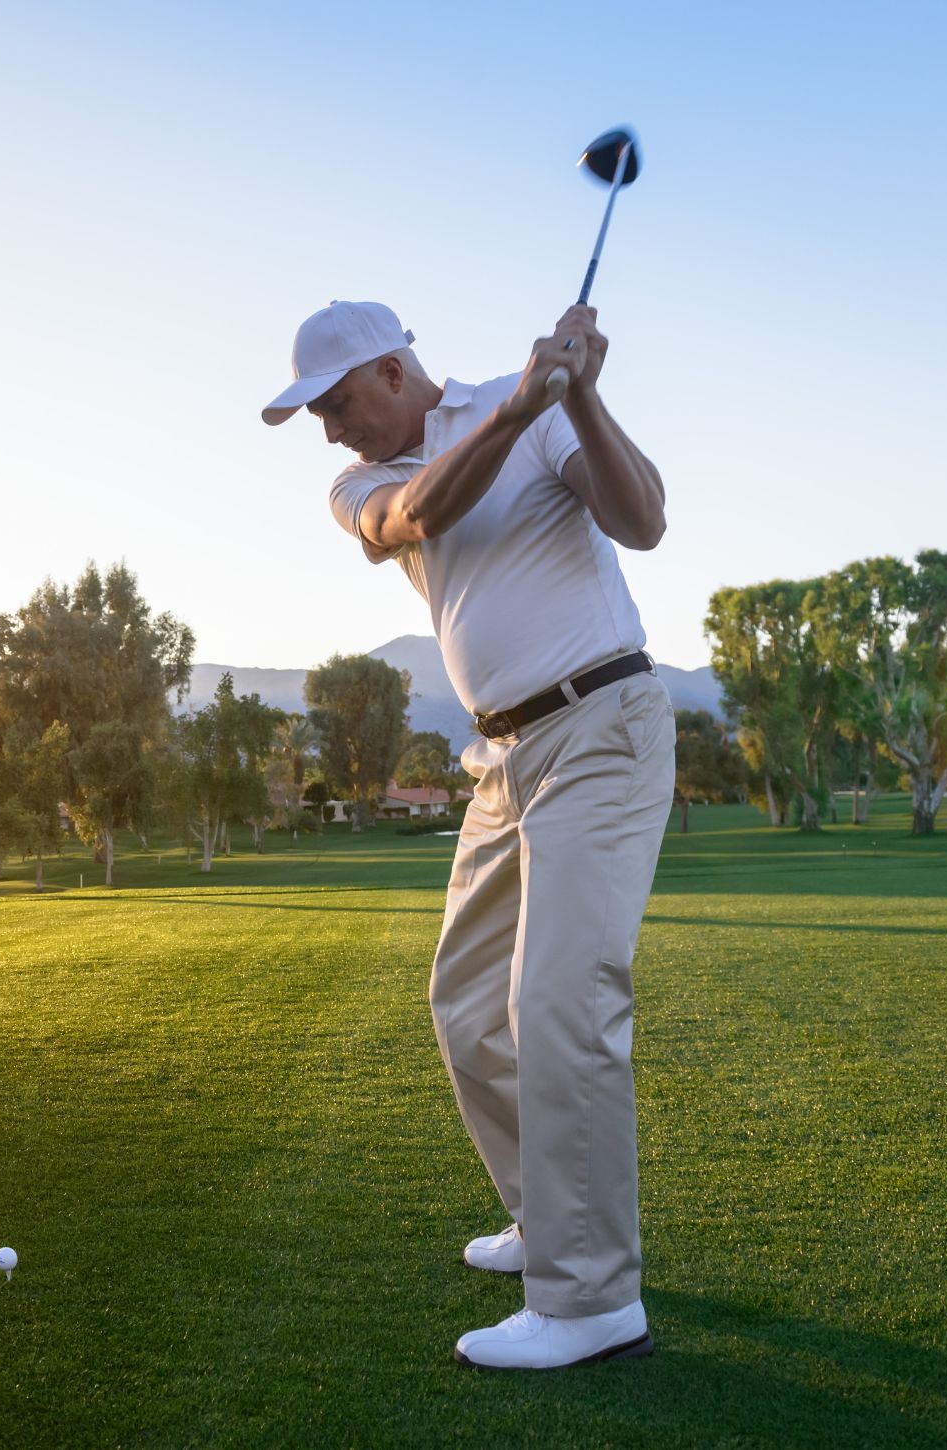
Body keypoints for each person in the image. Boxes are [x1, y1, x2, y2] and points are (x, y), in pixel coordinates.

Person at [262, 299, 675, 1371]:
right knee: (464, 1007)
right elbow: (409, 519)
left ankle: (588, 1299)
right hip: (500, 762)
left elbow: (642, 522)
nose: (331, 429)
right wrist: (516, 412)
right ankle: (550, 1221)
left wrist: (575, 390)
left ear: (393, 372)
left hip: (600, 724)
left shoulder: (528, 407)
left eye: (338, 403)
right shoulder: (362, 481)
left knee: (559, 999)